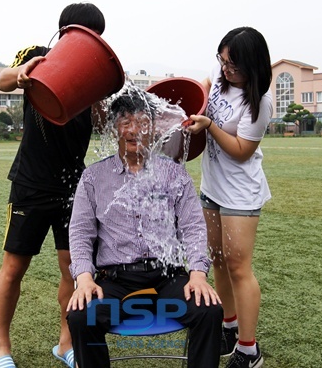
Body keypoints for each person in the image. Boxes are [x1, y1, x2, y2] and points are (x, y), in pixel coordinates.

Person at [0, 3, 106, 368]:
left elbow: (102, 122)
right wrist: (22, 73)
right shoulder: (38, 56)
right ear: (65, 33)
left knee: (73, 266)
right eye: (84, 35)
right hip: (31, 184)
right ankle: (1, 348)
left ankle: (66, 343)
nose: (90, 43)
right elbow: (2, 81)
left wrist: (100, 100)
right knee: (14, 266)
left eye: (97, 37)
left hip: (74, 187)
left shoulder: (100, 74)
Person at [66, 91, 224, 368]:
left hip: (167, 276)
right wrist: (84, 278)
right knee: (81, 316)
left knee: (208, 311)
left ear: (153, 128)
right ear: (114, 127)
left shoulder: (174, 174)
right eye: (125, 122)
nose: (134, 130)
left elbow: (193, 227)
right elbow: (80, 232)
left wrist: (198, 274)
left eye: (142, 122)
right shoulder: (93, 177)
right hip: (116, 280)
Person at [186, 26, 273, 368]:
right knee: (217, 259)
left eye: (234, 66)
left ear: (252, 66)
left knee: (239, 268)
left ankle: (248, 350)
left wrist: (209, 126)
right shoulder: (219, 74)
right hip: (213, 187)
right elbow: (205, 87)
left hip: (240, 195)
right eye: (223, 61)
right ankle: (229, 325)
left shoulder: (260, 101)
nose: (226, 70)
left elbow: (240, 150)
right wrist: (195, 105)